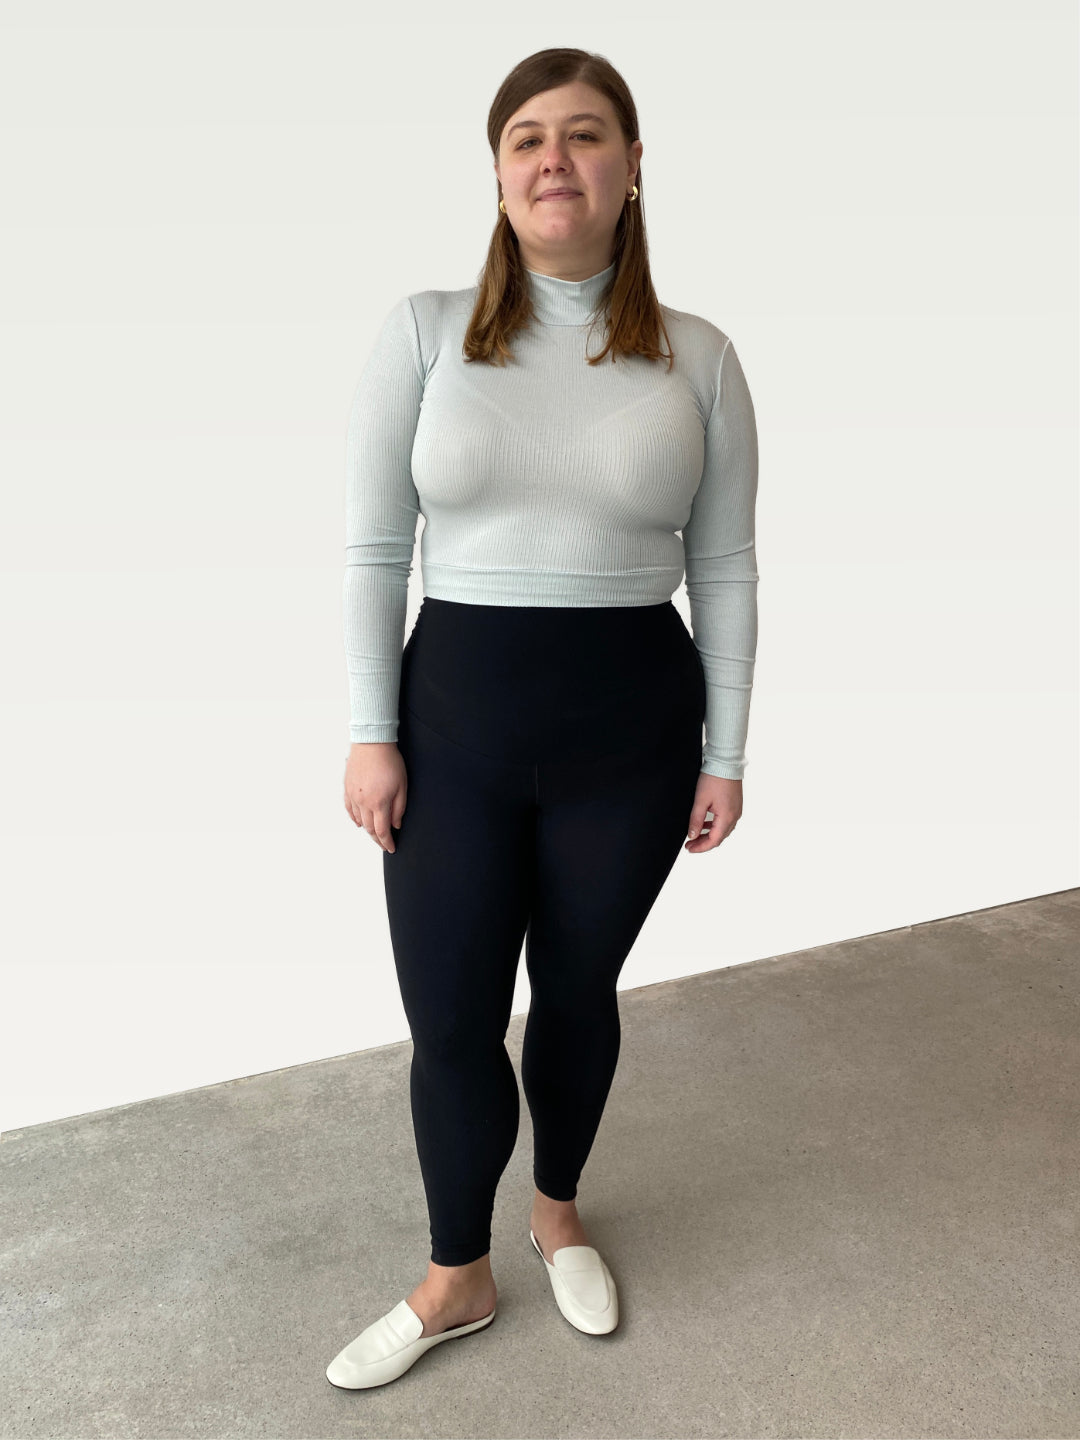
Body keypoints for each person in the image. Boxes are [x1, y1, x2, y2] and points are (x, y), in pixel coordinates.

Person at [328, 46, 759, 1390]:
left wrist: (727, 753)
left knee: (576, 992)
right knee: (453, 1018)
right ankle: (456, 1274)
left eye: (583, 134)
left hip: (630, 742)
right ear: (500, 173)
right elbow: (372, 551)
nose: (553, 157)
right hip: (450, 731)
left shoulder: (699, 356)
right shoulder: (423, 333)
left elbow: (728, 568)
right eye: (526, 136)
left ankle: (558, 1212)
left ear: (632, 169)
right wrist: (371, 729)